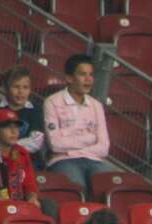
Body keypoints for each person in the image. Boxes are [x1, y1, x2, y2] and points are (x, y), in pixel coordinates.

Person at [41, 55, 119, 192]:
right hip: (62, 160)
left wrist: (71, 147)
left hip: (93, 160)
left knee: (109, 188)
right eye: (83, 74)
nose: (88, 79)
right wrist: (90, 139)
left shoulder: (96, 105)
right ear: (69, 78)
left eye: (91, 74)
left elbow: (104, 148)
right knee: (77, 188)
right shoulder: (52, 102)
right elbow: (56, 144)